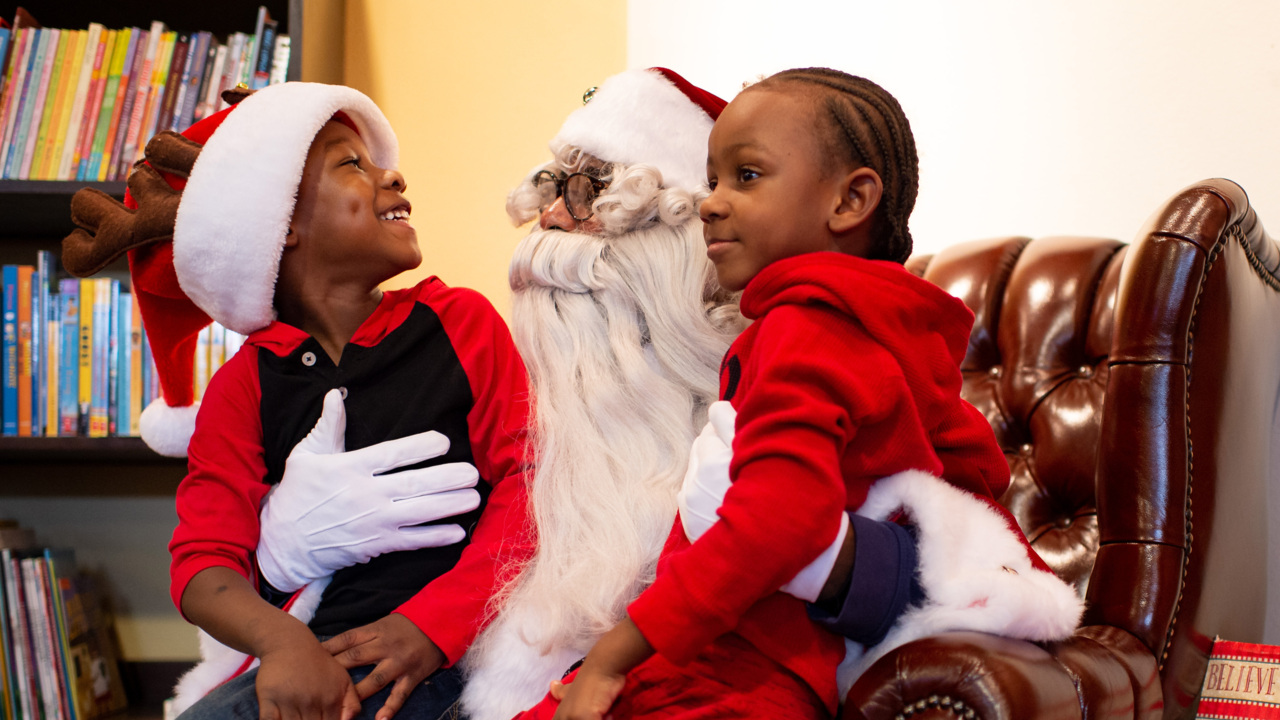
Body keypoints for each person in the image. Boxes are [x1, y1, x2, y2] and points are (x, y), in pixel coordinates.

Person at [252, 68, 1082, 719]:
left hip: (715, 669)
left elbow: (912, 513)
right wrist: (278, 559)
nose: (560, 232)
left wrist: (843, 561)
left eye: (598, 199)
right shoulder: (517, 378)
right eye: (550, 193)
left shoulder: (796, 337)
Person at [521, 67, 1083, 720]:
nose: (710, 202)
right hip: (797, 671)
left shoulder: (804, 325)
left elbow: (778, 521)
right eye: (711, 180)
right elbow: (975, 475)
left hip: (730, 670)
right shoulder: (892, 328)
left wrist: (615, 654)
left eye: (747, 176)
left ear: (849, 202)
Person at [84, 82, 532, 720]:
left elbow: (532, 484)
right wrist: (282, 642)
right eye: (353, 164)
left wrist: (433, 626)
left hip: (466, 649)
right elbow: (204, 563)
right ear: (280, 225)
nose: (393, 175)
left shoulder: (461, 322)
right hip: (315, 659)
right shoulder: (242, 387)